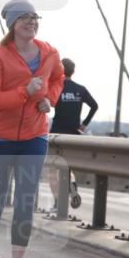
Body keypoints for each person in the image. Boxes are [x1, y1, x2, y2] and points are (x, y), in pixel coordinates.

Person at [0, 0, 63, 258]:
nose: (31, 22)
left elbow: (59, 78)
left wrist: (50, 98)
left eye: (34, 17)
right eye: (24, 17)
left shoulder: (50, 53)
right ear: (12, 24)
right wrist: (25, 91)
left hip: (34, 137)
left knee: (25, 200)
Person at [47, 57, 98, 211]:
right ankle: (72, 185)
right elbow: (94, 106)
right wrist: (84, 125)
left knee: (52, 170)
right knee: (68, 167)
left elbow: (46, 105)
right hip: (73, 134)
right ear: (73, 72)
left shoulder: (57, 88)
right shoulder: (80, 89)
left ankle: (57, 202)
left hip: (56, 134)